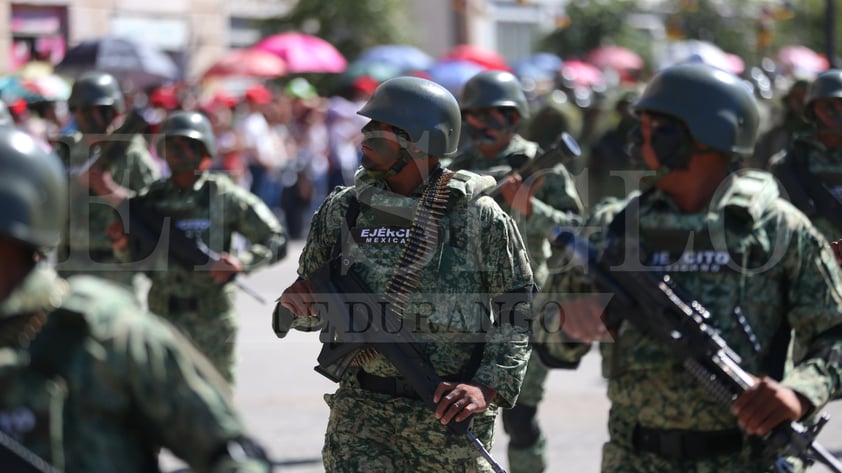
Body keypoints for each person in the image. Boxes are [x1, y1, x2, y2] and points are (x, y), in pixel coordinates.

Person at [534, 63, 842, 473]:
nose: (639, 137)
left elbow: (834, 334)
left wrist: (799, 393)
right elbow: (543, 329)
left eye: (655, 126)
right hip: (635, 460)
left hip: (747, 459)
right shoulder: (613, 226)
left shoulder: (777, 229)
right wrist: (568, 324)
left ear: (705, 135)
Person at [278, 76, 535, 472]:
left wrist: (486, 386)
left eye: (381, 128)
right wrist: (297, 307)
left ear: (420, 141)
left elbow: (516, 308)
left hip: (443, 414)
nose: (365, 134)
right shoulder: (344, 210)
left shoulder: (476, 215)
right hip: (362, 412)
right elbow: (314, 307)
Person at [0, 127, 270, 472]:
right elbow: (138, 250)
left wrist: (241, 263)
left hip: (208, 313)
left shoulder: (106, 332)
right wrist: (125, 242)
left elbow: (231, 455)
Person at [447, 70, 584, 473]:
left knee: (519, 416)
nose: (486, 124)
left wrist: (529, 207)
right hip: (464, 309)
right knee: (460, 410)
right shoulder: (459, 167)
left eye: (498, 115)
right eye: (476, 115)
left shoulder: (541, 165)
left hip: (524, 309)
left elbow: (578, 234)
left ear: (515, 118)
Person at [109, 111, 288, 385]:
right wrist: (121, 243)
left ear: (204, 150)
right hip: (163, 317)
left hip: (212, 320)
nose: (178, 151)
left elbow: (276, 239)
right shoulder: (149, 201)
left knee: (215, 402)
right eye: (172, 144)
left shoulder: (225, 196)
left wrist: (242, 262)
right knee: (160, 404)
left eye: (188, 144)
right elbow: (133, 259)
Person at [54, 71, 160, 298]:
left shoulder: (132, 154)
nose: (93, 118)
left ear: (114, 111)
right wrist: (74, 181)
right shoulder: (66, 151)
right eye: (85, 110)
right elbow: (45, 193)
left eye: (101, 110)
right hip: (71, 266)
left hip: (116, 266)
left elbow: (156, 208)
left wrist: (113, 192)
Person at [770, 70, 842, 243]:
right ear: (812, 109)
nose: (833, 112)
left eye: (839, 103)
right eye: (826, 105)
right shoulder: (789, 163)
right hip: (810, 261)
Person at [750, 79, 810, 170]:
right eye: (795, 97)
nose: (799, 101)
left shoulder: (815, 128)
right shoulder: (778, 127)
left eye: (803, 97)